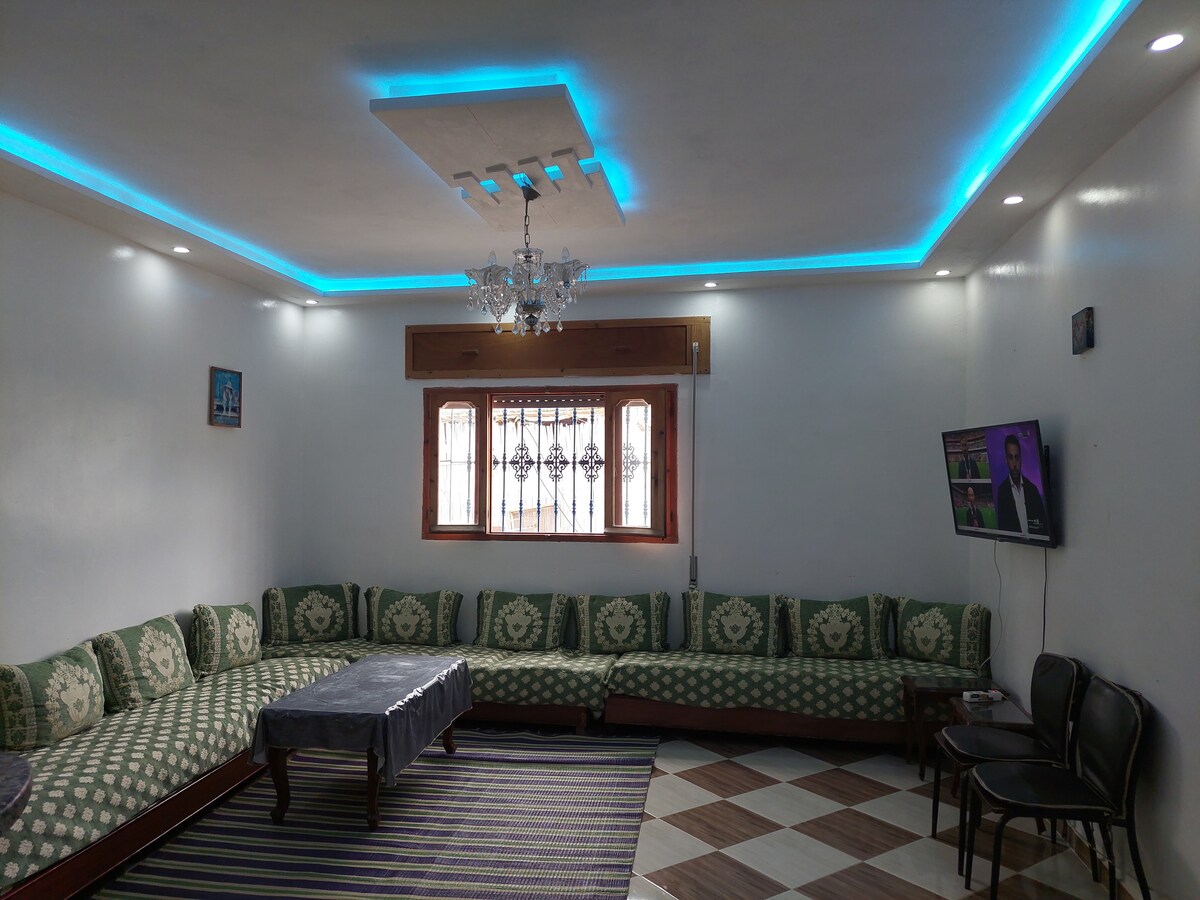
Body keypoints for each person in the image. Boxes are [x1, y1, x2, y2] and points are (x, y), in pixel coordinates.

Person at [995, 435, 1049, 536]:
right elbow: (1003, 528)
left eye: (1016, 457)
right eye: (1010, 457)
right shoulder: (1002, 491)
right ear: (1006, 460)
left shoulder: (1033, 489)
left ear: (1021, 459)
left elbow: (1044, 528)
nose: (1014, 464)